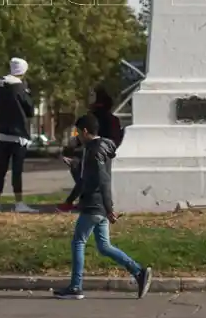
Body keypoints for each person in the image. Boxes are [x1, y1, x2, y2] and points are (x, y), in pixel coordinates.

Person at [54, 113, 153, 300]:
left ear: (85, 131)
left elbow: (103, 180)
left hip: (94, 204)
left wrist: (109, 209)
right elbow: (84, 180)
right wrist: (69, 199)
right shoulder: (96, 148)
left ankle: (76, 287)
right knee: (104, 246)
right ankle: (139, 272)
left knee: (78, 242)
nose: (76, 136)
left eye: (77, 132)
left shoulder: (94, 150)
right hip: (97, 204)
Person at [0, 57, 36, 213]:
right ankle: (19, 202)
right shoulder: (20, 87)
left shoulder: (0, 85)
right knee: (16, 170)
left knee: (1, 169)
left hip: (2, 132)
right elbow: (30, 109)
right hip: (18, 133)